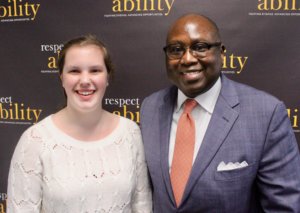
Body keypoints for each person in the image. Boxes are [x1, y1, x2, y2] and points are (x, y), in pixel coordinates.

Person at [140, 13, 300, 212]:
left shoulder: (266, 114)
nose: (187, 58)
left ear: (222, 52)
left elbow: (284, 206)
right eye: (176, 50)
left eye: (200, 47)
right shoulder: (150, 108)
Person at [7, 35, 152, 213]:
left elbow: (142, 205)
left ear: (107, 77)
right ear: (62, 78)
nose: (84, 80)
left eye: (95, 70)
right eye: (74, 71)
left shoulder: (130, 133)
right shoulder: (34, 141)